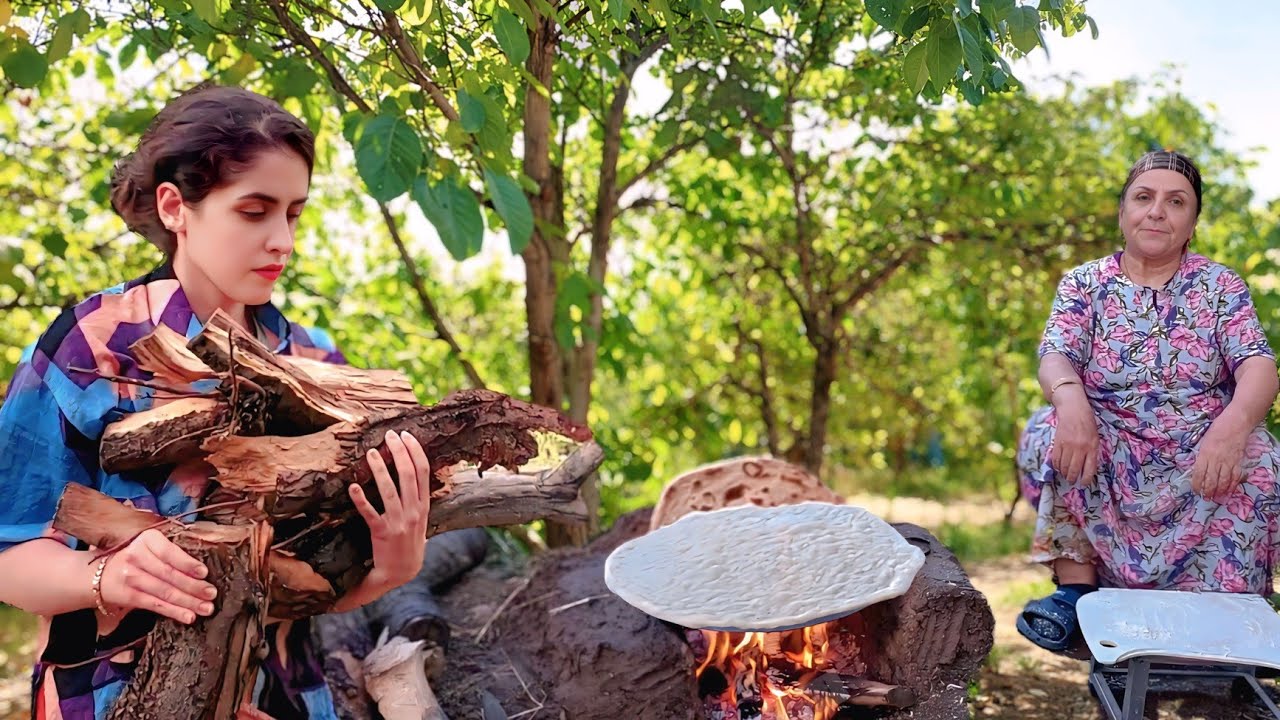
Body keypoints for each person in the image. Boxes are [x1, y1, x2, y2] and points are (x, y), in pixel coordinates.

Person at [0, 84, 433, 719]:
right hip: (110, 700)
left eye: (294, 214)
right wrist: (106, 578)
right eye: (255, 212)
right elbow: (9, 555)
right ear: (175, 206)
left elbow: (309, 589)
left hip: (285, 699)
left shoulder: (317, 366)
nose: (282, 240)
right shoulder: (93, 345)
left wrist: (387, 572)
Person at [1015, 150, 1280, 652]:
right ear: (1123, 213)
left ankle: (1227, 613)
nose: (1157, 211)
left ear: (1191, 222)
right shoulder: (1084, 284)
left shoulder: (1220, 286)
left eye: (1175, 201)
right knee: (1048, 430)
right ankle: (1077, 594)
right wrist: (1072, 404)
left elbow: (1258, 364)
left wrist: (1234, 425)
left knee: (1261, 453)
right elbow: (1056, 355)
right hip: (1108, 449)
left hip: (1198, 456)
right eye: (1144, 197)